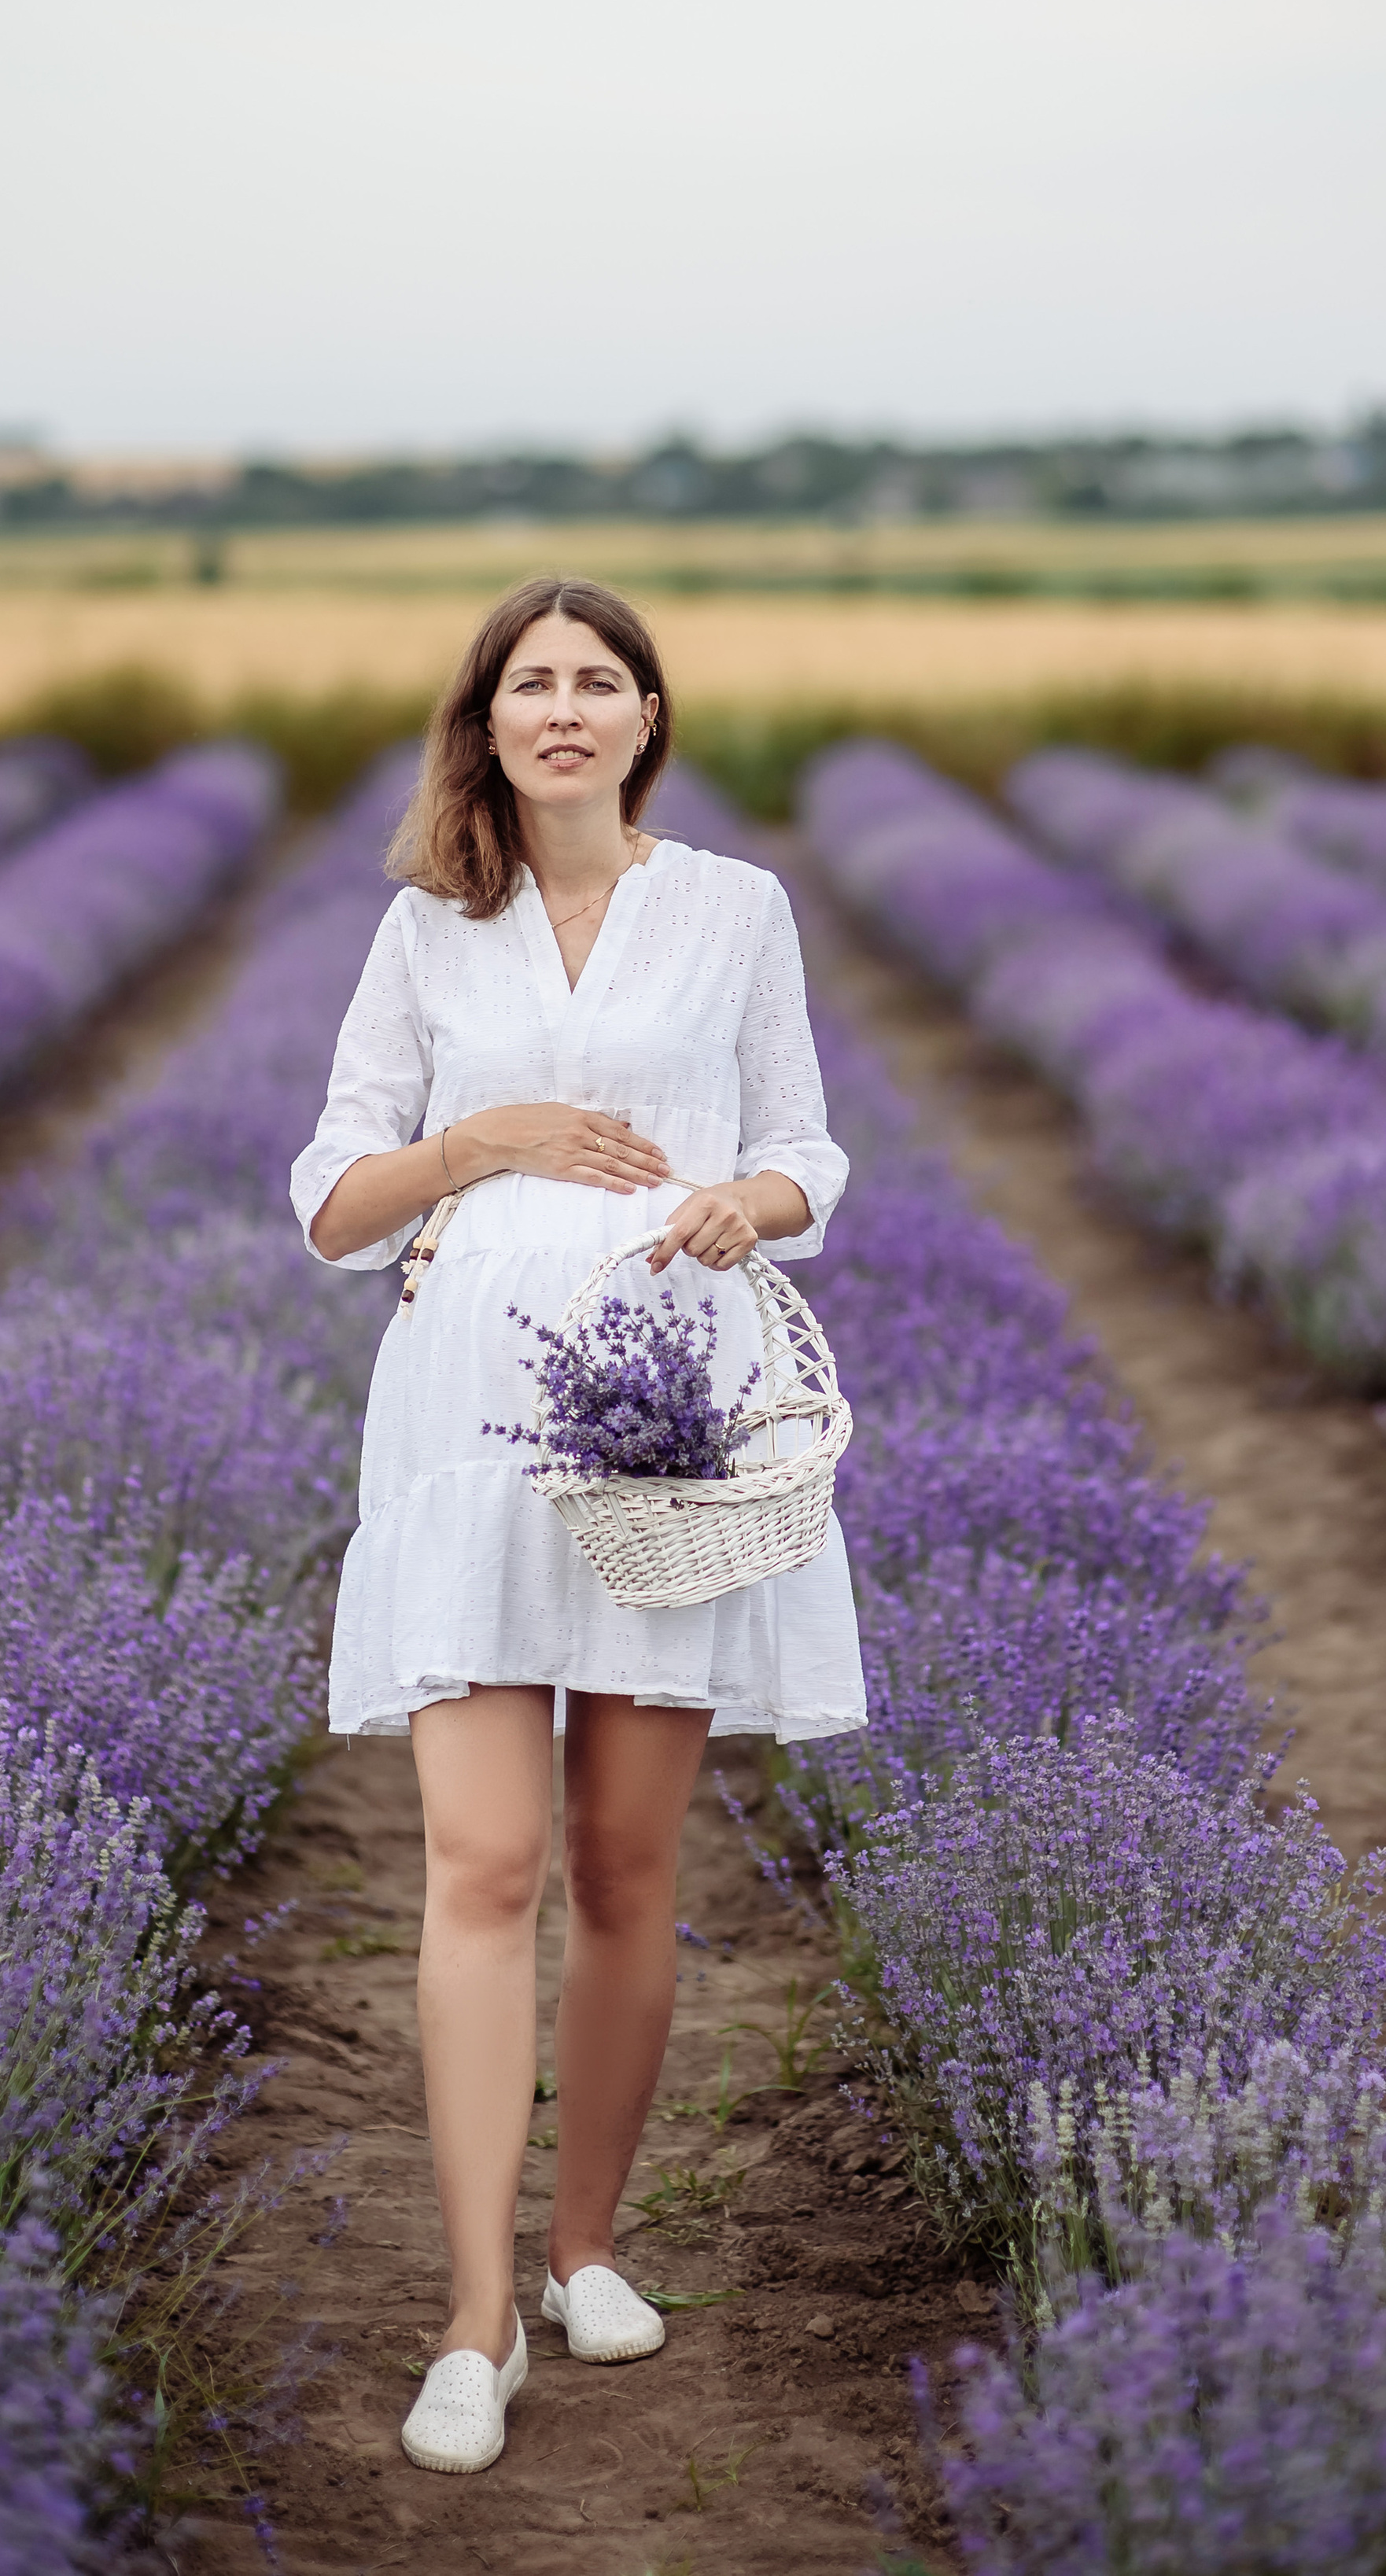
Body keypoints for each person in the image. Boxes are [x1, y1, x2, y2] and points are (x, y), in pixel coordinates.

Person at [290, 576, 864, 2475]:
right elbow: (329, 1198)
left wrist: (745, 1207)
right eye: (528, 681)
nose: (561, 709)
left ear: (641, 719)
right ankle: (469, 2323)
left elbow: (808, 1140)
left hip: (665, 1412)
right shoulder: (424, 929)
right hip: (465, 1415)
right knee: (478, 1867)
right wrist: (478, 1146)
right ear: (486, 717)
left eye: (593, 681)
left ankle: (582, 2249)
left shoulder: (733, 910)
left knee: (625, 1870)